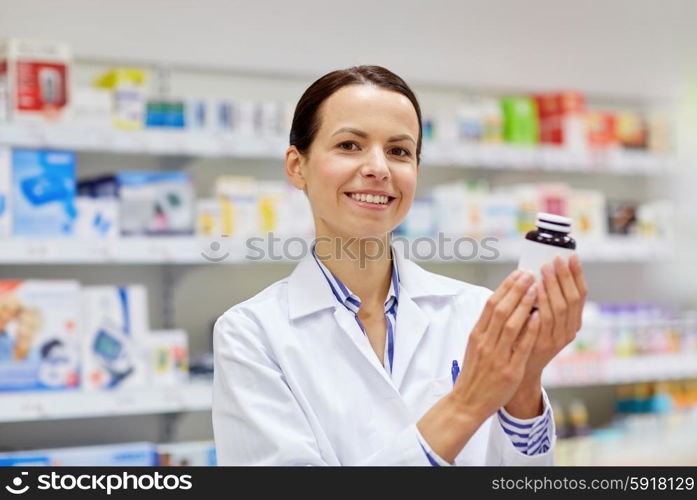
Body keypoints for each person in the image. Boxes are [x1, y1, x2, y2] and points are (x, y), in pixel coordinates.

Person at [212, 65, 587, 465]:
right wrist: (464, 405)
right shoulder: (251, 335)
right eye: (350, 145)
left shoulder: (478, 311)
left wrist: (524, 383)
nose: (378, 168)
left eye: (399, 151)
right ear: (296, 166)